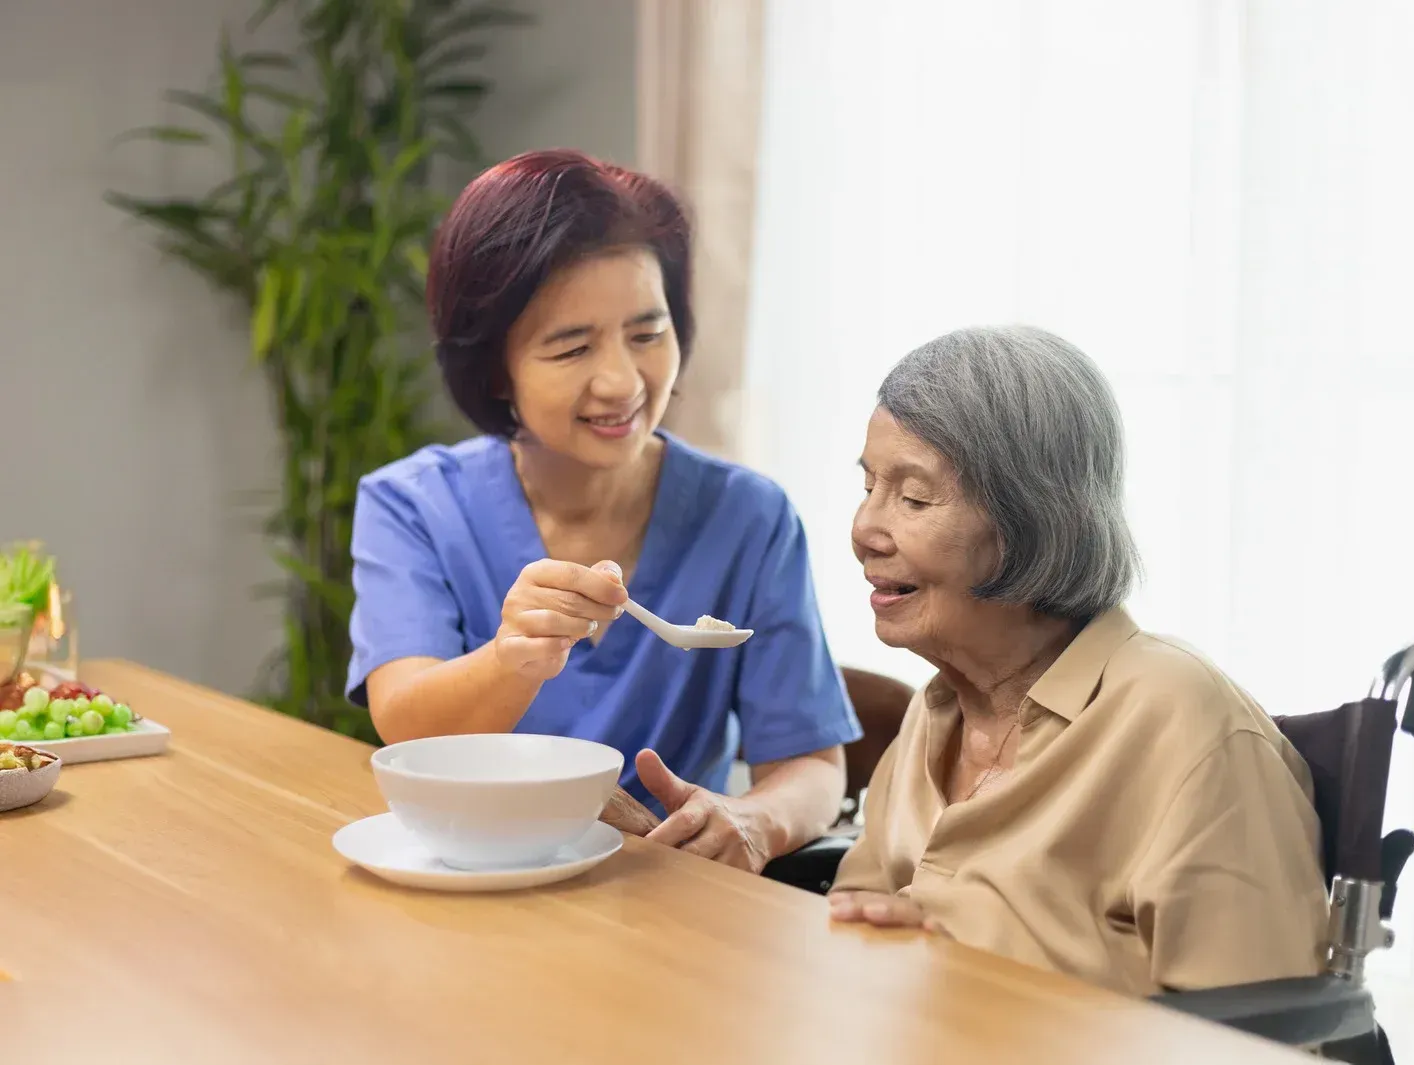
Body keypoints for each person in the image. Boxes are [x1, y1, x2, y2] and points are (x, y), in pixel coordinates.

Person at [346, 149, 860, 872]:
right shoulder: (414, 506)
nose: (621, 381)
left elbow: (811, 762)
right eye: (572, 347)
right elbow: (406, 723)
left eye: (647, 335)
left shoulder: (748, 517)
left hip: (673, 897)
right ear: (495, 367)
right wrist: (510, 659)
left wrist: (752, 819)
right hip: (475, 881)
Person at [827, 325, 1327, 994]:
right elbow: (852, 927)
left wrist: (982, 983)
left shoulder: (1181, 722)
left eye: (914, 497)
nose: (863, 530)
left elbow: (1265, 1038)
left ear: (1030, 519)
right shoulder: (936, 710)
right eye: (868, 488)